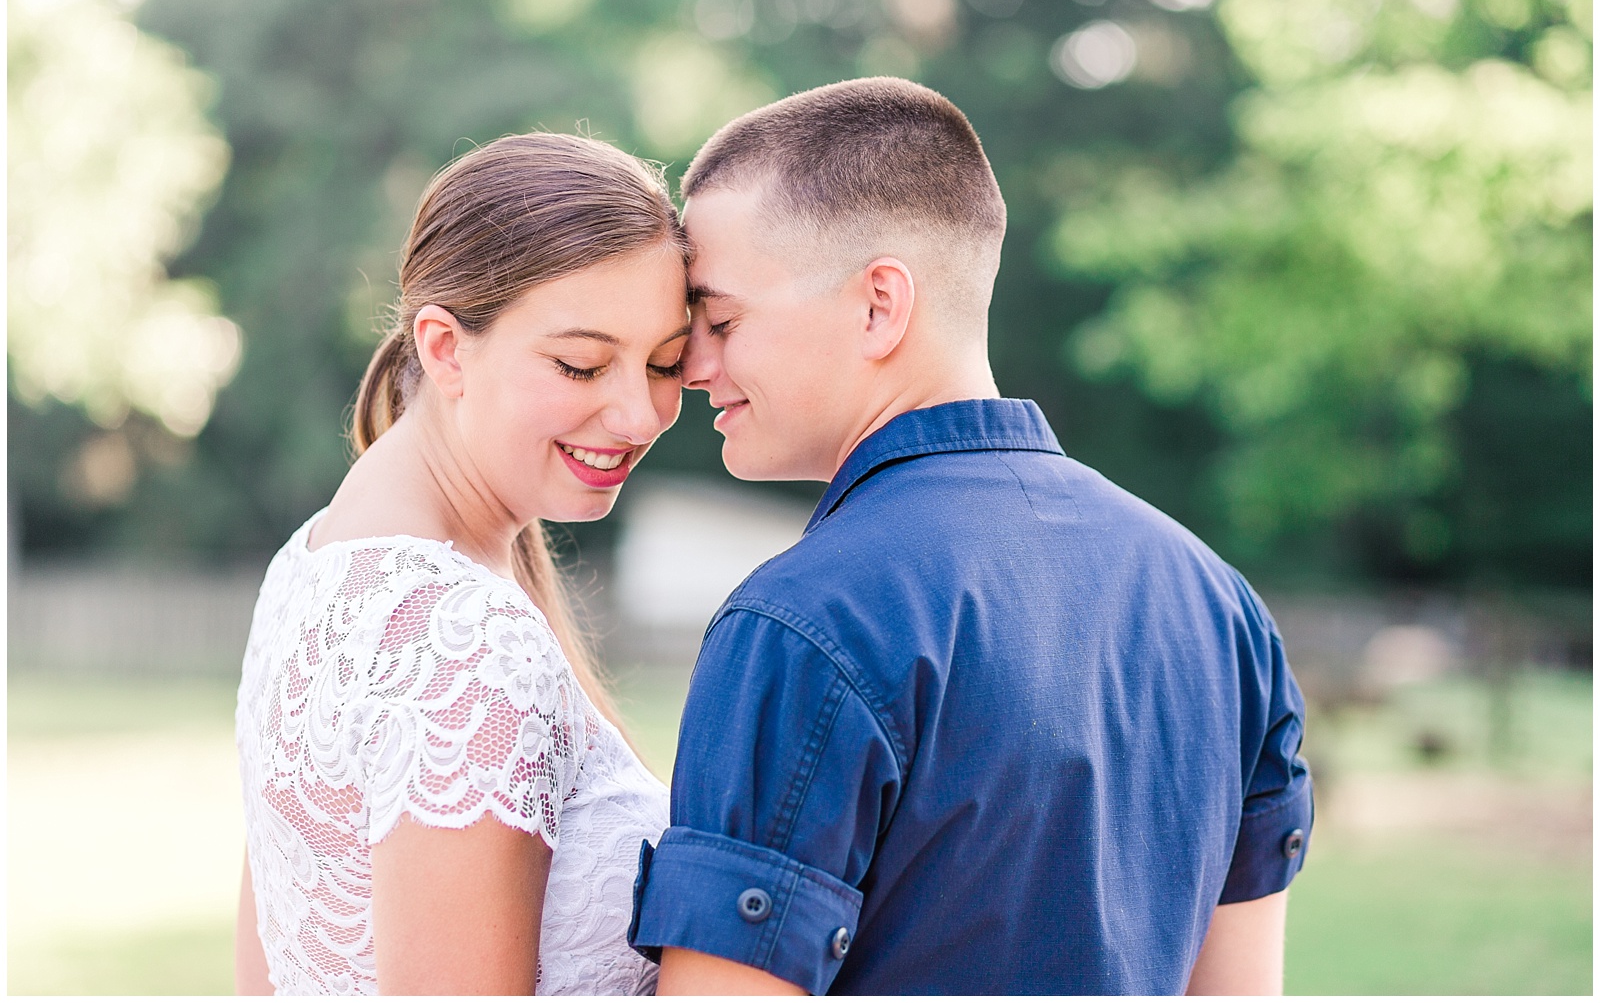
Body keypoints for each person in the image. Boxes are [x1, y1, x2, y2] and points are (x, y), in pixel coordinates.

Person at [628, 78, 1314, 995]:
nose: (696, 366)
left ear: (879, 304)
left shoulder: (800, 622)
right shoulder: (1219, 603)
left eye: (719, 318)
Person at [234, 132, 689, 995]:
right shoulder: (465, 641)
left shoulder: (311, 561)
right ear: (445, 348)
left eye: (666, 363)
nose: (638, 413)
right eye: (582, 363)